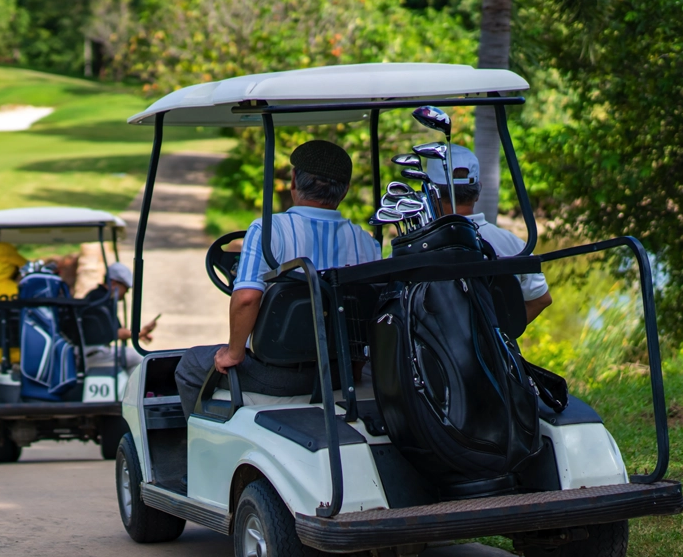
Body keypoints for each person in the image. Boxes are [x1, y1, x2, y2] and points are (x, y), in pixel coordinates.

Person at [175, 140, 382, 417]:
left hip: (277, 375)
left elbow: (247, 298)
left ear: (294, 180)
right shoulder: (366, 243)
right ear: (344, 190)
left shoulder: (268, 231)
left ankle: (200, 451)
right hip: (337, 372)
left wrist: (234, 353)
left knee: (190, 364)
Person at [426, 144, 553, 322]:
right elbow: (541, 299)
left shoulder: (415, 247)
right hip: (488, 348)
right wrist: (498, 339)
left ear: (432, 195)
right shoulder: (513, 244)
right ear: (477, 192)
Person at [82, 260, 156, 371]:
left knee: (131, 356)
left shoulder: (101, 298)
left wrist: (140, 335)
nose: (126, 293)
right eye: (125, 288)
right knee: (139, 358)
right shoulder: (100, 300)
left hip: (95, 351)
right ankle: (134, 388)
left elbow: (117, 330)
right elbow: (117, 333)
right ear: (114, 283)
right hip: (92, 352)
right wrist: (141, 333)